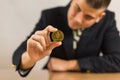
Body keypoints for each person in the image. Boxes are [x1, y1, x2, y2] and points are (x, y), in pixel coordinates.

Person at [12, 0, 120, 77]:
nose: (78, 20)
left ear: (100, 17)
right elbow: (17, 56)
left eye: (88, 17)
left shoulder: (107, 21)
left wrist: (70, 65)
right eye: (77, 8)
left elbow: (117, 60)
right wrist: (31, 58)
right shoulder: (50, 16)